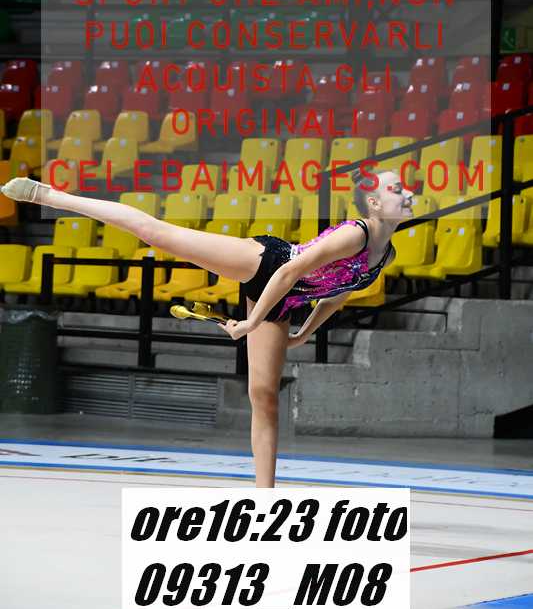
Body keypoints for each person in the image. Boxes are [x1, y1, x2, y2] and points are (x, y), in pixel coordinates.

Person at [1, 170, 414, 487]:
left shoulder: (386, 254)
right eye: (397, 190)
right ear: (374, 203)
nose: (408, 193)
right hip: (266, 265)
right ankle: (50, 196)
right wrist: (252, 322)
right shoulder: (355, 235)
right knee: (157, 234)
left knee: (264, 397)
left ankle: (265, 500)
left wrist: (303, 333)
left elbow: (337, 294)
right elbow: (289, 271)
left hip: (283, 299)